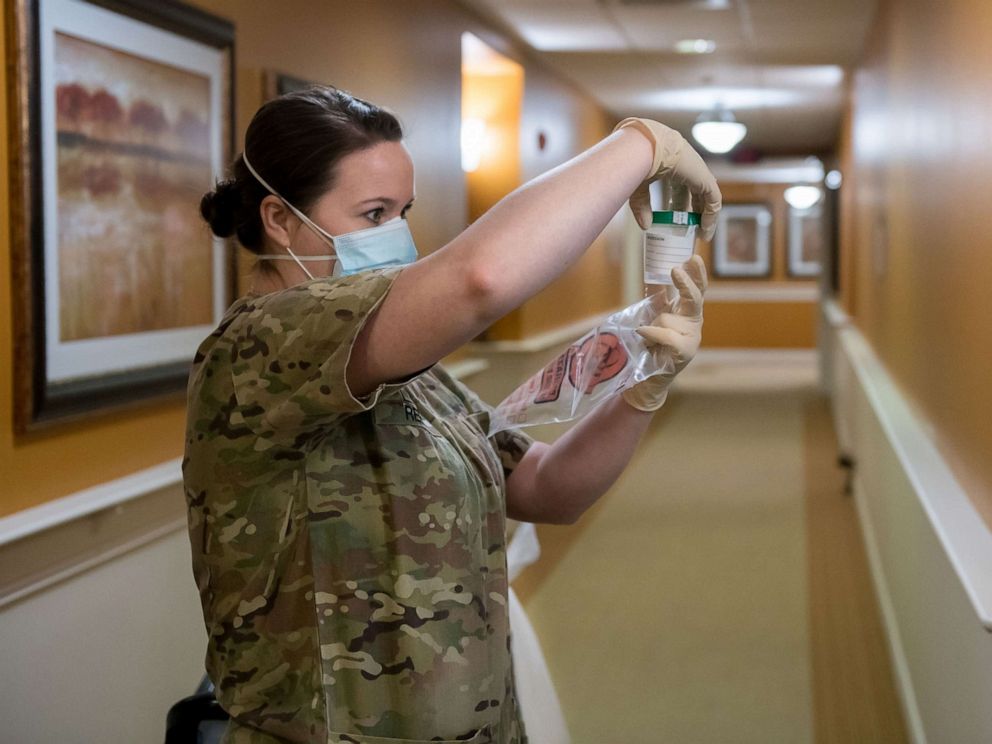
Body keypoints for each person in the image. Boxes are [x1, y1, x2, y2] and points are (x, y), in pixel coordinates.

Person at [185, 86, 719, 744]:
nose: (398, 235)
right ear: (280, 218)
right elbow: (480, 278)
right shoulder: (257, 349)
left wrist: (645, 384)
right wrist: (643, 143)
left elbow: (548, 488)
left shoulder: (408, 375)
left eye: (403, 211)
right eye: (374, 212)